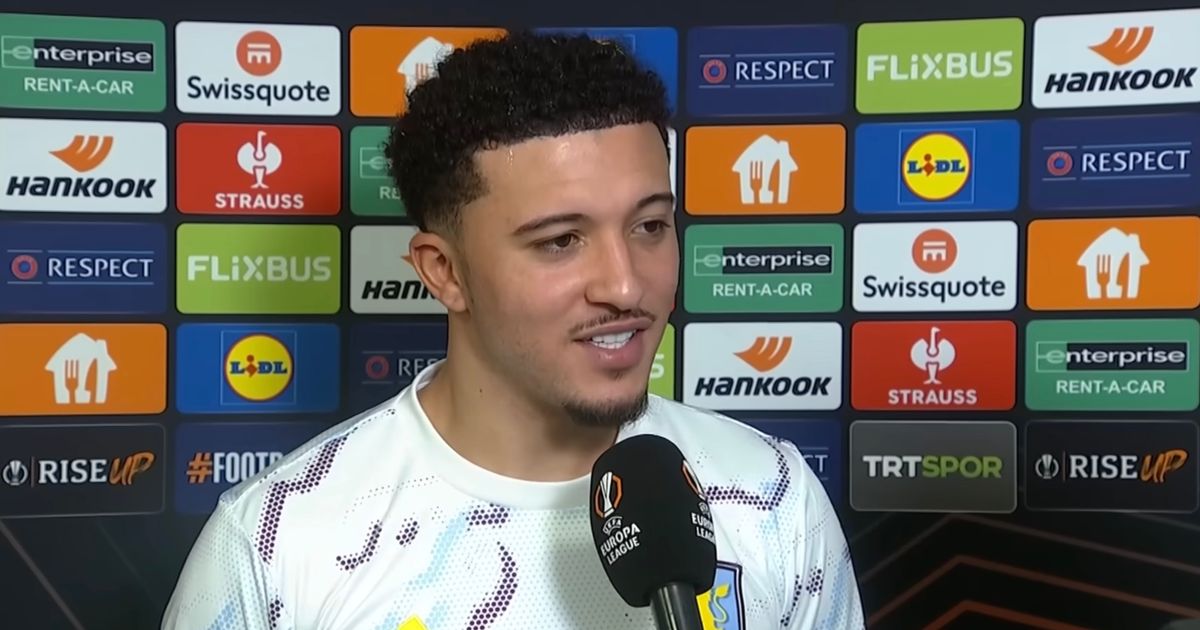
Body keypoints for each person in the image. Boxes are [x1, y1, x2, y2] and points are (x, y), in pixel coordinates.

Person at [161, 30, 865, 630]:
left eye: (650, 226)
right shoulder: (278, 543)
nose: (626, 286)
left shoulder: (773, 497)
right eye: (561, 241)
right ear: (444, 272)